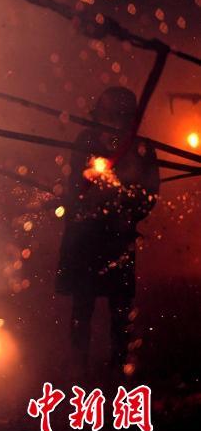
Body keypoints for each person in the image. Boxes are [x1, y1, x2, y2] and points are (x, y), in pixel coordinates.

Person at [56, 86, 159, 380]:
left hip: (118, 237)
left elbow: (150, 191)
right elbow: (76, 183)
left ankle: (119, 364)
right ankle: (78, 366)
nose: (112, 119)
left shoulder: (140, 147)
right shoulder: (86, 140)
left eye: (118, 114)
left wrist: (128, 212)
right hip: (86, 236)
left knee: (120, 306)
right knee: (83, 304)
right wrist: (85, 199)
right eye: (107, 113)